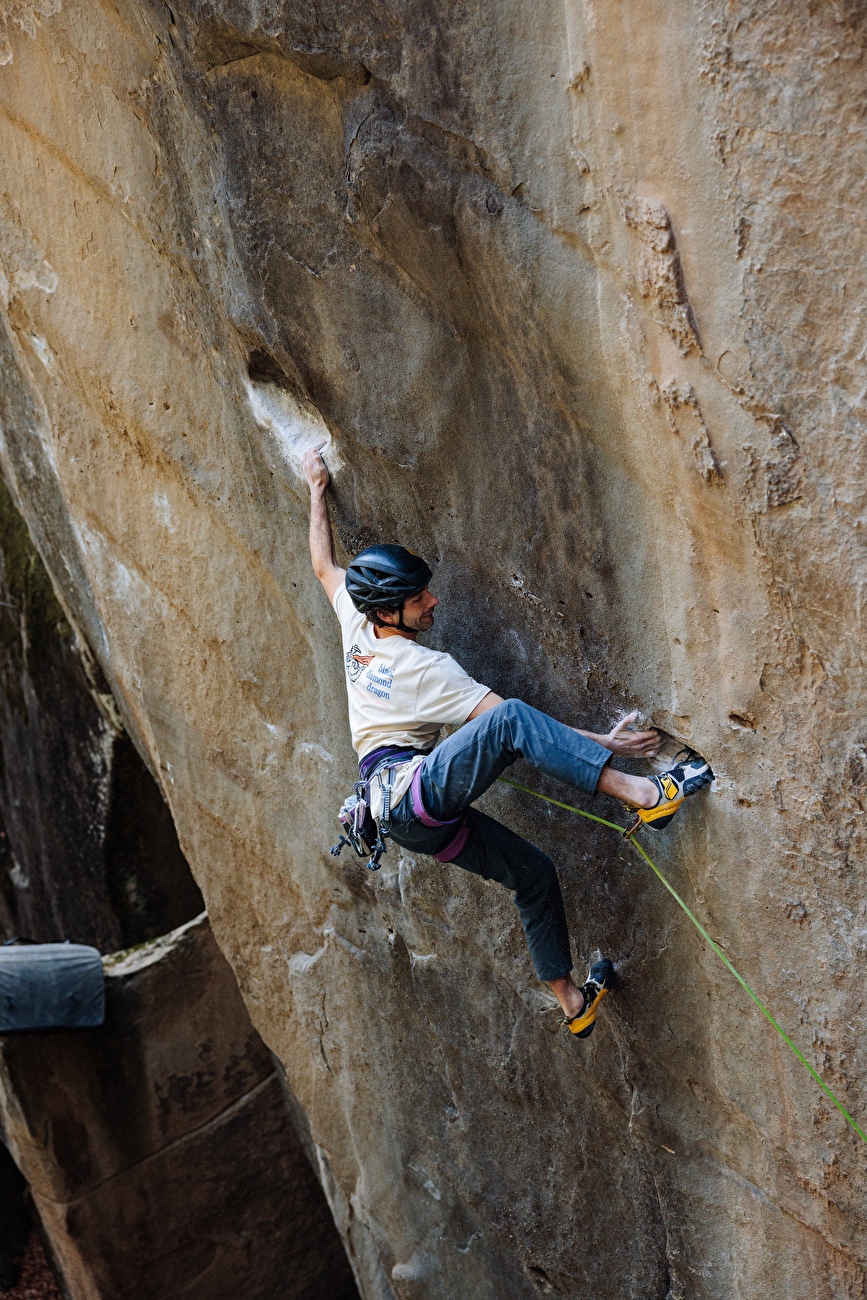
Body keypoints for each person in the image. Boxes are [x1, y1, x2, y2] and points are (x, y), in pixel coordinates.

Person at [302, 446, 713, 1038]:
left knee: (534, 874)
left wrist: (317, 488)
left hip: (402, 818)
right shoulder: (423, 668)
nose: (432, 601)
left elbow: (322, 563)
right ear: (389, 611)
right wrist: (607, 744)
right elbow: (513, 725)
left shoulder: (354, 616)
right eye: (418, 599)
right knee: (513, 719)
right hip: (413, 792)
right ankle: (648, 795)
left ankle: (573, 1002)